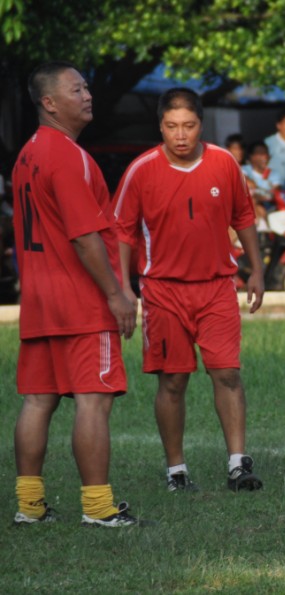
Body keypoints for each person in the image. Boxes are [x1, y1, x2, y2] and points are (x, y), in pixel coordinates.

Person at [113, 87, 266, 494]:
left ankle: (238, 463)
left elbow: (245, 217)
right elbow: (123, 231)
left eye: (189, 126)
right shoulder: (140, 170)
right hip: (163, 291)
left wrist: (257, 272)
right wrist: (123, 288)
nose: (180, 135)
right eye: (171, 126)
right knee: (173, 381)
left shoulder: (224, 164)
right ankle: (176, 469)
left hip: (217, 287)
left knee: (228, 372)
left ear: (201, 124)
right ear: (160, 126)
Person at [12, 61, 140, 527]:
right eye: (76, 89)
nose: (87, 94)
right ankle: (99, 509)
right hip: (80, 301)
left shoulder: (28, 153)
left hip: (40, 301)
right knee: (93, 400)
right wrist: (115, 294)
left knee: (38, 399)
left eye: (86, 87)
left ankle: (30, 507)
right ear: (49, 103)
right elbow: (85, 237)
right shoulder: (67, 156)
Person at [242, 140, 283, 219]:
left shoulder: (274, 174)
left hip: (272, 210)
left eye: (265, 153)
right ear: (251, 156)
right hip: (253, 210)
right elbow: (245, 180)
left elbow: (277, 192)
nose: (264, 157)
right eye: (260, 154)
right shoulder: (244, 170)